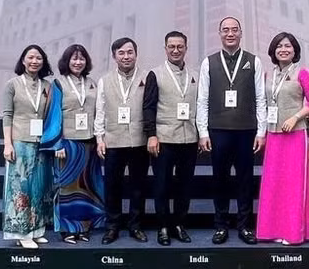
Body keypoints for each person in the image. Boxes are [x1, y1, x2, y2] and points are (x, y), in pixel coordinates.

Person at [196, 16, 267, 245]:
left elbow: (260, 98)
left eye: (234, 30)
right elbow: (203, 99)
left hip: (247, 131)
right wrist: (203, 132)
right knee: (220, 180)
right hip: (218, 131)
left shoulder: (253, 61)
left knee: (245, 180)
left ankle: (245, 226)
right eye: (225, 30)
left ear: (240, 33)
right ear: (219, 33)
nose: (230, 33)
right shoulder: (209, 62)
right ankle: (221, 226)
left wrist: (261, 131)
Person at [256, 32, 309, 246]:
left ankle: (293, 232)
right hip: (273, 134)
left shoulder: (302, 73)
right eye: (279, 46)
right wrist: (261, 132)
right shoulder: (268, 75)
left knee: (293, 185)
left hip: (295, 134)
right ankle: (271, 230)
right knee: (274, 184)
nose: (284, 49)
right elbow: (263, 104)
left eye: (288, 46)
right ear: (273, 50)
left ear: (295, 51)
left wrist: (295, 117)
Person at [40, 44, 106, 244]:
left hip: (89, 142)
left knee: (87, 187)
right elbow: (53, 115)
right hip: (67, 144)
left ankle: (84, 227)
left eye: (82, 59)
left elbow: (100, 112)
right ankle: (68, 229)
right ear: (67, 61)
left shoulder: (92, 83)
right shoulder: (58, 84)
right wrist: (57, 143)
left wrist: (100, 138)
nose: (78, 62)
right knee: (67, 188)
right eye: (74, 59)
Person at [142, 31, 199, 246]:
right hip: (164, 140)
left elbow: (201, 106)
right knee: (162, 185)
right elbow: (148, 107)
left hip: (189, 139)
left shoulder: (195, 74)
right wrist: (152, 136)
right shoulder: (155, 74)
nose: (176, 50)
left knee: (185, 186)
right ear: (165, 49)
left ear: (186, 48)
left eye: (180, 46)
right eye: (171, 46)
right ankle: (163, 226)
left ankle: (178, 224)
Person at [94, 37, 150, 244]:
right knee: (113, 186)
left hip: (139, 141)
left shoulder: (147, 77)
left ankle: (135, 226)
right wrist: (99, 138)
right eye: (121, 53)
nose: (126, 56)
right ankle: (112, 227)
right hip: (113, 141)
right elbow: (100, 111)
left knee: (138, 186)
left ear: (136, 54)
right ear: (114, 56)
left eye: (130, 52)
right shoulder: (104, 80)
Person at [1, 44, 54, 249]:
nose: (34, 61)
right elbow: (7, 115)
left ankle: (36, 229)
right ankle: (21, 231)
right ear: (23, 60)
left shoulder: (48, 86)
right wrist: (8, 144)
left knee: (39, 187)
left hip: (41, 143)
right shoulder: (12, 85)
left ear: (43, 62)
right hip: (20, 142)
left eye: (38, 58)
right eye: (30, 57)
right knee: (21, 187)